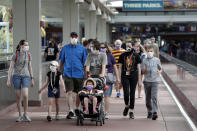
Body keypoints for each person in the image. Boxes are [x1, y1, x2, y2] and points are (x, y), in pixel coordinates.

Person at [59, 32, 88, 119]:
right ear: (70, 38)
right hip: (68, 73)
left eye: (75, 37)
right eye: (72, 37)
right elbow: (61, 61)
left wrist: (86, 73)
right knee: (69, 92)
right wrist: (59, 70)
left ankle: (77, 108)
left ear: (78, 38)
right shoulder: (65, 48)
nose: (73, 38)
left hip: (79, 73)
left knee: (79, 93)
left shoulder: (82, 49)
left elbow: (85, 63)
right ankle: (71, 110)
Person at [7, 40, 35, 122]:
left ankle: (25, 114)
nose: (27, 46)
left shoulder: (28, 55)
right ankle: (20, 115)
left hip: (26, 76)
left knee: (25, 95)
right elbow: (11, 68)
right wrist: (8, 79)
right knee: (18, 96)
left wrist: (32, 78)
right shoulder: (15, 55)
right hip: (16, 76)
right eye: (25, 45)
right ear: (21, 46)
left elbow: (30, 67)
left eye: (27, 45)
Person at [118, 47, 142, 119]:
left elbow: (139, 68)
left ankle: (131, 111)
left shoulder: (136, 56)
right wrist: (119, 79)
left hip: (134, 75)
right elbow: (120, 67)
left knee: (132, 93)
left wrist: (139, 79)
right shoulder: (122, 55)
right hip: (124, 75)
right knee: (126, 93)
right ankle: (126, 106)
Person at [141, 45, 162, 120]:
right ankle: (149, 111)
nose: (149, 52)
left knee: (154, 97)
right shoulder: (144, 60)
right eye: (148, 51)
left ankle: (155, 112)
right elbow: (142, 72)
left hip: (155, 81)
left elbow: (160, 69)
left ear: (153, 52)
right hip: (147, 82)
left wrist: (159, 71)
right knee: (148, 99)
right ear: (146, 52)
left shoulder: (157, 60)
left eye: (151, 51)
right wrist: (145, 70)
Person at [100, 43, 120, 119]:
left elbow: (115, 68)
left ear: (107, 48)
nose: (102, 48)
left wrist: (118, 78)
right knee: (98, 95)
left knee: (107, 96)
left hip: (108, 77)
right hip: (99, 78)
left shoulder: (110, 56)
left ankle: (106, 112)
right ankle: (98, 111)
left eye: (103, 47)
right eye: (101, 47)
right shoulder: (97, 56)